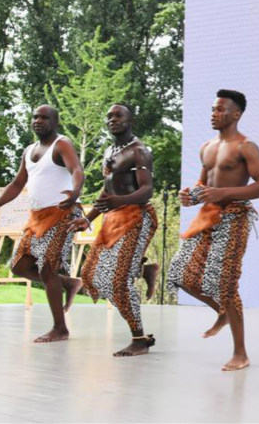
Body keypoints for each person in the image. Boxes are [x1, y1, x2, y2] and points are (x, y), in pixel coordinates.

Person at [169, 89, 259, 371]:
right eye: (213, 109)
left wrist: (223, 193)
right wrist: (190, 195)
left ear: (236, 114)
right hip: (208, 216)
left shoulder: (246, 147)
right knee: (179, 274)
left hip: (234, 217)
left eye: (220, 110)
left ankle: (241, 353)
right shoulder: (207, 146)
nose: (214, 114)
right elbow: (203, 185)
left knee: (225, 284)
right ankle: (223, 312)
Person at [0, 105, 84, 343]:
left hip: (63, 213)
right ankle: (68, 283)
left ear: (55, 122)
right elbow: (17, 183)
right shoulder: (29, 150)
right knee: (19, 266)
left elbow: (76, 169)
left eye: (44, 118)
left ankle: (60, 328)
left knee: (47, 268)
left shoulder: (62, 144)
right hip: (37, 217)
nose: (38, 121)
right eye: (35, 117)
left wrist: (75, 191)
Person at [68, 104, 159, 357]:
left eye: (119, 115)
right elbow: (107, 190)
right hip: (113, 219)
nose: (113, 119)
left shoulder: (139, 151)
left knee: (118, 280)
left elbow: (147, 190)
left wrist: (120, 201)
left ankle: (139, 339)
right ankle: (144, 270)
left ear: (131, 120)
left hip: (137, 218)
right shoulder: (110, 151)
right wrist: (88, 219)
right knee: (91, 274)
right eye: (109, 116)